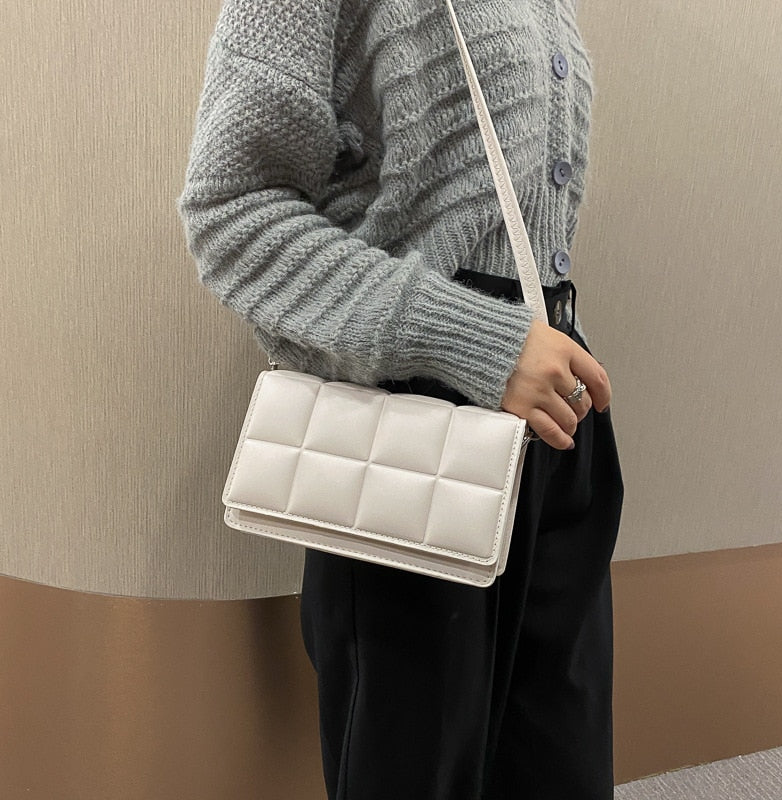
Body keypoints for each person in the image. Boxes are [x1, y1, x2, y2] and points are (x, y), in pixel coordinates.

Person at [177, 0, 624, 797]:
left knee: (560, 764)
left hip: (556, 432)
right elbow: (232, 214)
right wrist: (478, 341)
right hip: (410, 443)